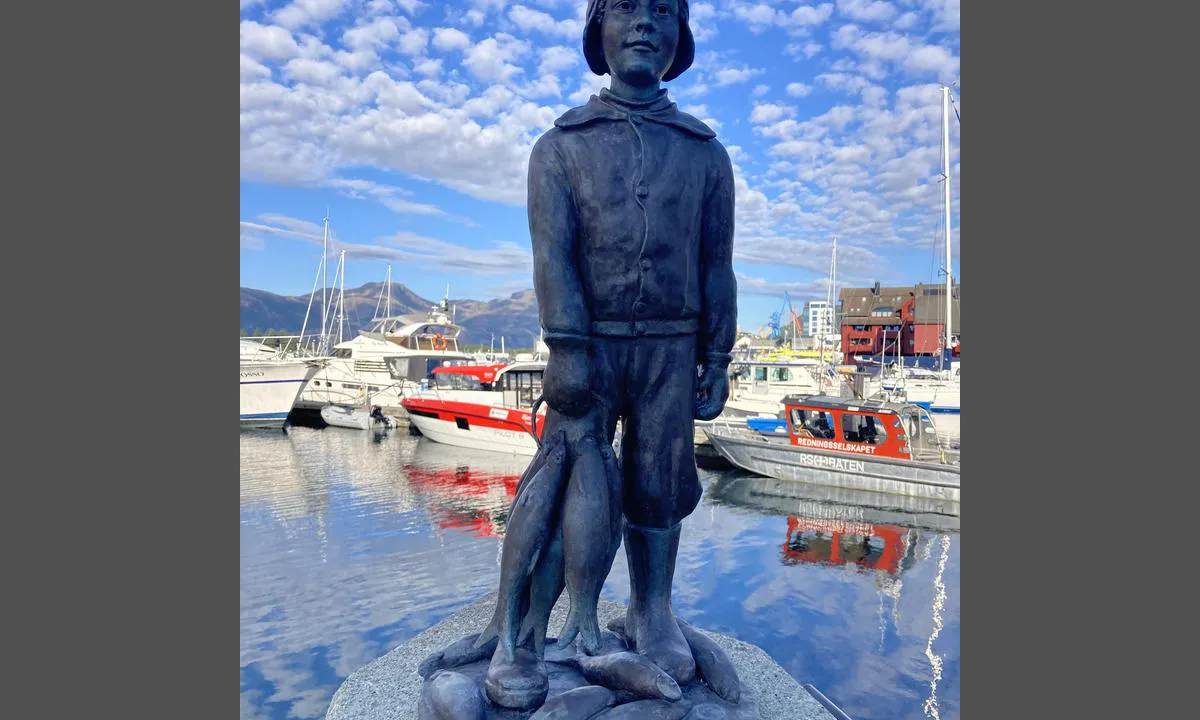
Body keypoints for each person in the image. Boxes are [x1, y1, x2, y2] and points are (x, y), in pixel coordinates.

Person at [488, 0, 736, 705]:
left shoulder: (705, 153)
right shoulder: (560, 146)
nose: (644, 23)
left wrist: (716, 355)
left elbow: (718, 262)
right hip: (588, 349)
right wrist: (565, 345)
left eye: (662, 10)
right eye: (625, 7)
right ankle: (529, 630)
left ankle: (652, 611)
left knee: (660, 485)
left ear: (681, 37)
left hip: (670, 346)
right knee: (570, 482)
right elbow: (552, 257)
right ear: (596, 31)